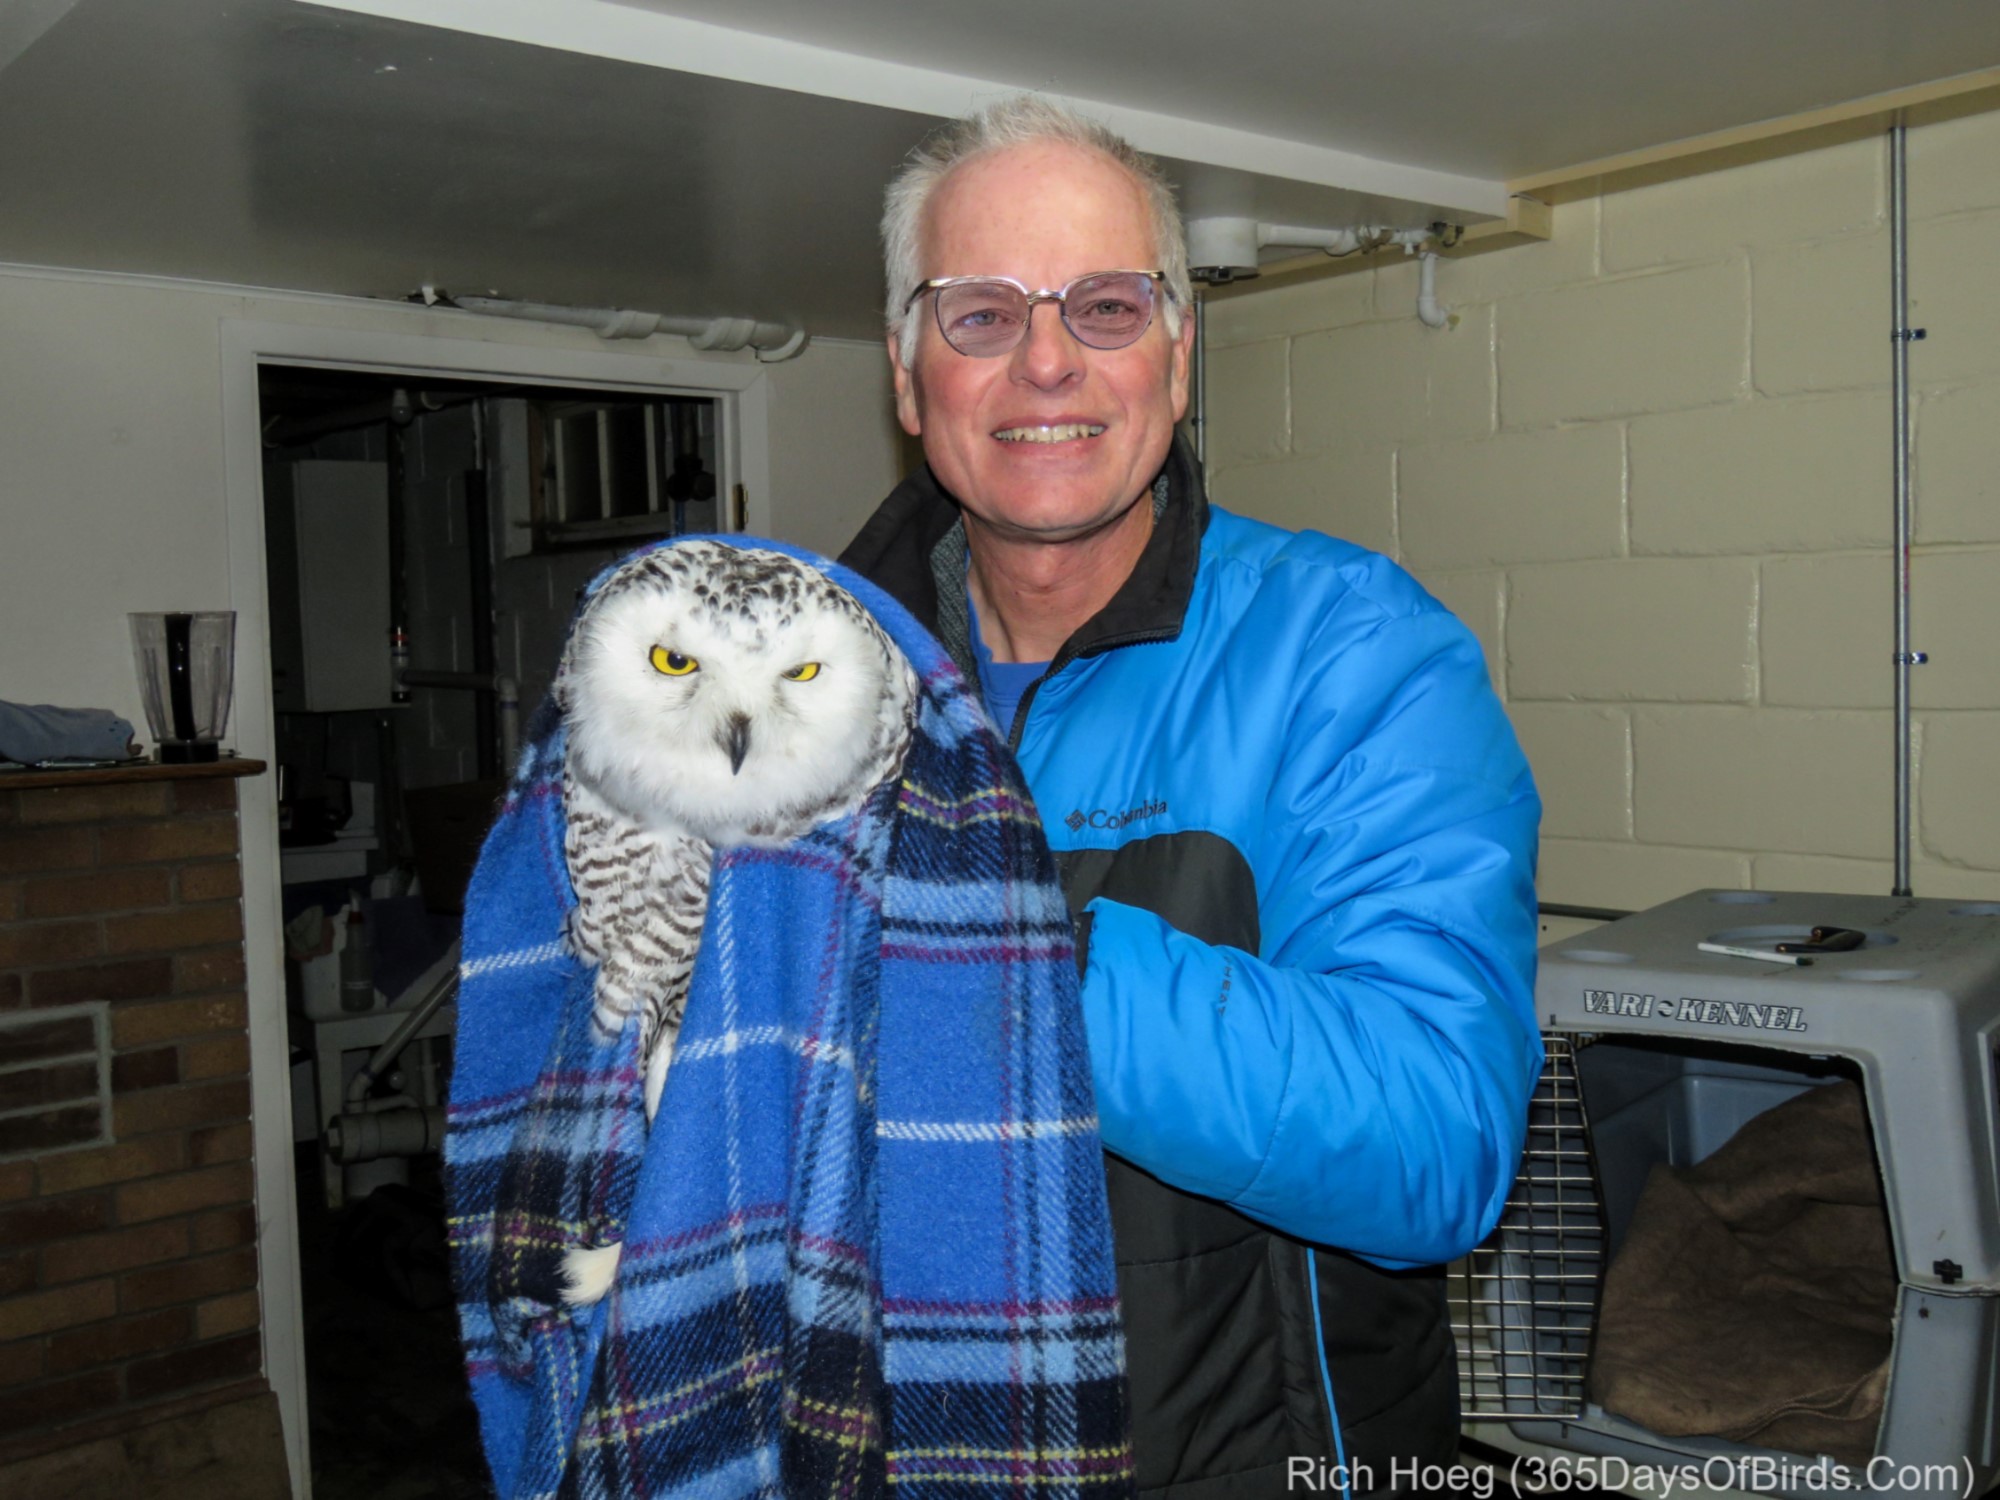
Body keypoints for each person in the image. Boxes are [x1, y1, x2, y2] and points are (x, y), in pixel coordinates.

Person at [840, 96, 1542, 1499]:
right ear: (910, 379)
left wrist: (999, 954)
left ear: (1175, 354)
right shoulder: (793, 688)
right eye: (979, 314)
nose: (1047, 361)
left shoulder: (1354, 650)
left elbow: (1435, 1144)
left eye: (1105, 306)